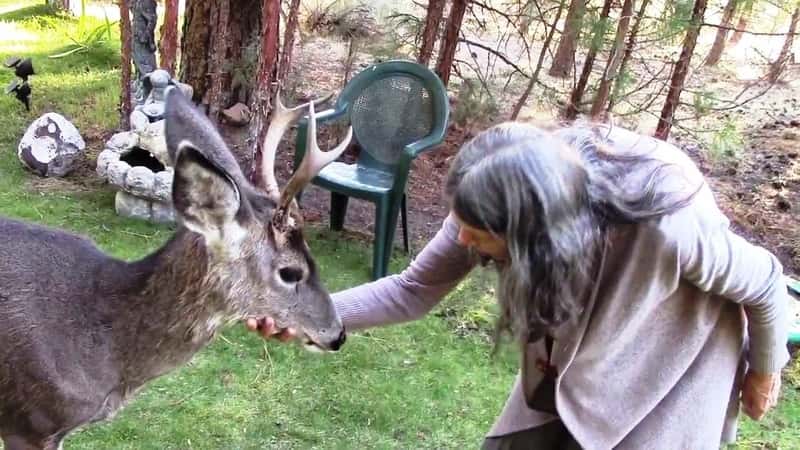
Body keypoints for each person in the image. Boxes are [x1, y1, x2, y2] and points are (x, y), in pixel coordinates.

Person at [246, 120, 791, 449]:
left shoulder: (666, 233)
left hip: (669, 373)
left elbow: (766, 281)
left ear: (537, 241)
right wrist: (309, 316)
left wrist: (763, 372)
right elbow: (412, 289)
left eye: (478, 237)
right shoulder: (494, 185)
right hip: (568, 363)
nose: (460, 242)